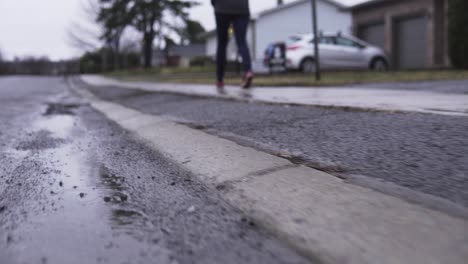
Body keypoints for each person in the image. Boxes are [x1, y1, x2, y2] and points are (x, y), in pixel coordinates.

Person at [211, 0, 253, 89]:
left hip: (222, 8)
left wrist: (215, 4)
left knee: (222, 43)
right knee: (242, 41)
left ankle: (220, 79)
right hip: (242, 8)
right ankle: (248, 71)